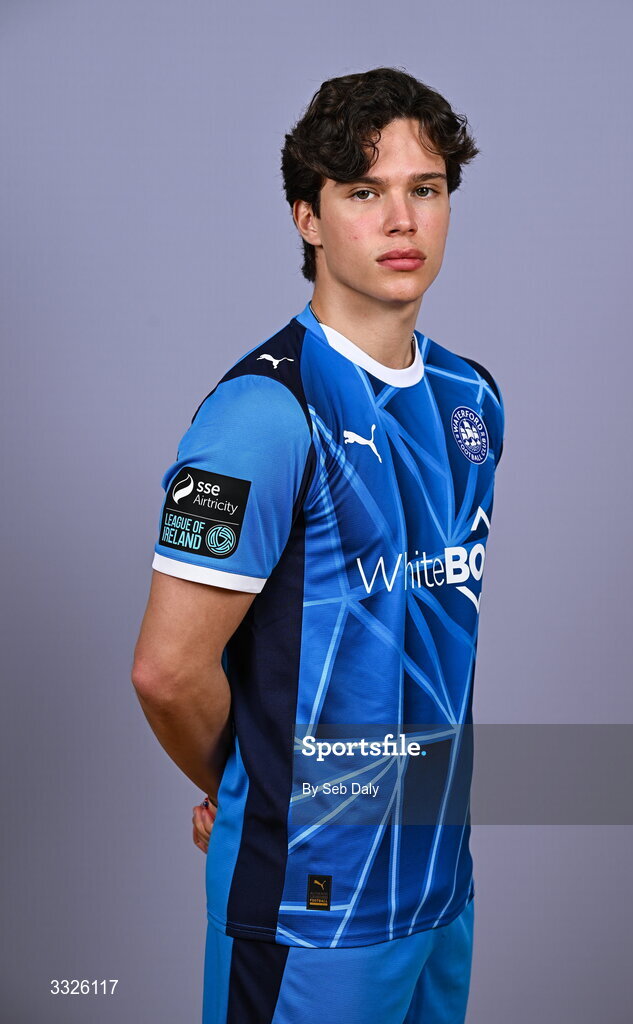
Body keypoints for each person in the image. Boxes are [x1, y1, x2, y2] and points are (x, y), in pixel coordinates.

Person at [132, 65, 505, 1024]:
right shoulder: (260, 415)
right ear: (308, 217)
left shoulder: (471, 399)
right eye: (363, 193)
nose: (401, 221)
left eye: (424, 190)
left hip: (436, 889)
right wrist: (248, 785)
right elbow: (168, 673)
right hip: (313, 914)